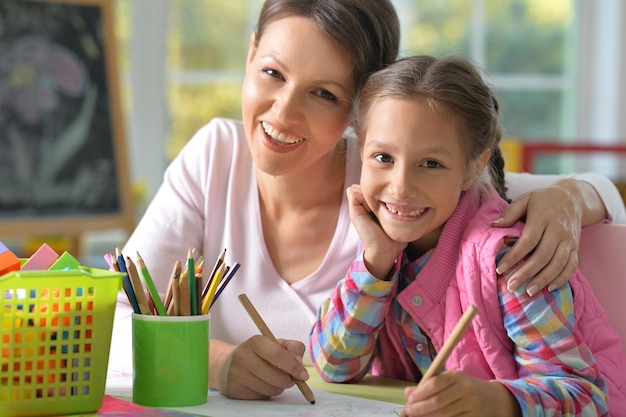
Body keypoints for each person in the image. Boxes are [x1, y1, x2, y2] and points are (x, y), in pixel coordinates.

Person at [110, 0, 626, 401]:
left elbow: (545, 188)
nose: (283, 113)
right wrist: (217, 363)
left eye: (324, 94)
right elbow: (109, 318)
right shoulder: (216, 153)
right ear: (250, 55)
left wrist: (567, 198)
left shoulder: (388, 173)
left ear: (361, 109)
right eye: (272, 72)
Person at [309, 55, 626, 416]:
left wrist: (497, 401)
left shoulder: (511, 259)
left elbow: (586, 397)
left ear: (474, 166)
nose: (400, 188)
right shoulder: (384, 240)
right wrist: (375, 262)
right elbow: (334, 366)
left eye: (431, 164)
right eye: (383, 157)